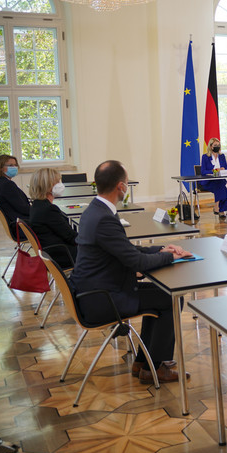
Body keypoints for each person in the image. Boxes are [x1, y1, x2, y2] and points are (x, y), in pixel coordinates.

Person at [69, 160, 192, 384]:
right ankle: (154, 367)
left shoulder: (94, 211)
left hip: (95, 290)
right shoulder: (104, 218)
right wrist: (170, 256)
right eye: (126, 182)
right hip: (102, 298)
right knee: (171, 298)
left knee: (160, 296)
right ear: (121, 187)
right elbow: (136, 261)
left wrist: (161, 249)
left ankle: (144, 362)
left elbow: (125, 250)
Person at [28, 168, 77, 268]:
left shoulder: (37, 205)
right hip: (63, 254)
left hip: (51, 252)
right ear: (48, 186)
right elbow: (71, 237)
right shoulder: (49, 210)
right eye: (57, 182)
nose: (60, 185)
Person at [0, 154, 30, 234]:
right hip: (22, 226)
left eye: (15, 165)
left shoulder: (1, 183)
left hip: (18, 223)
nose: (14, 167)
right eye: (10, 165)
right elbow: (23, 209)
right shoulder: (7, 185)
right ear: (1, 168)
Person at [200, 138, 227, 218]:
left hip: (220, 180)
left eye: (218, 145)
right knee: (223, 188)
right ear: (210, 146)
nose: (217, 147)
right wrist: (215, 170)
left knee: (221, 186)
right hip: (209, 182)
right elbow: (203, 171)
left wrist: (223, 169)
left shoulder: (222, 156)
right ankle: (221, 210)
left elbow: (226, 169)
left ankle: (217, 206)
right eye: (215, 145)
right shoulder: (205, 157)